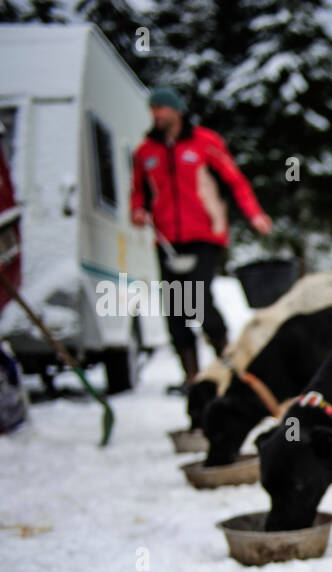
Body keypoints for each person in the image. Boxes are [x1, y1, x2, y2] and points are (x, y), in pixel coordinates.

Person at [129, 86, 272, 392]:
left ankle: (227, 365)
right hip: (167, 239)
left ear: (177, 111)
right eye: (153, 109)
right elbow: (138, 192)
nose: (156, 114)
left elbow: (235, 181)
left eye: (162, 109)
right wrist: (138, 211)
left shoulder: (205, 143)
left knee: (199, 300)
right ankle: (191, 376)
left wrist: (254, 214)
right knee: (176, 308)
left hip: (205, 235)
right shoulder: (145, 152)